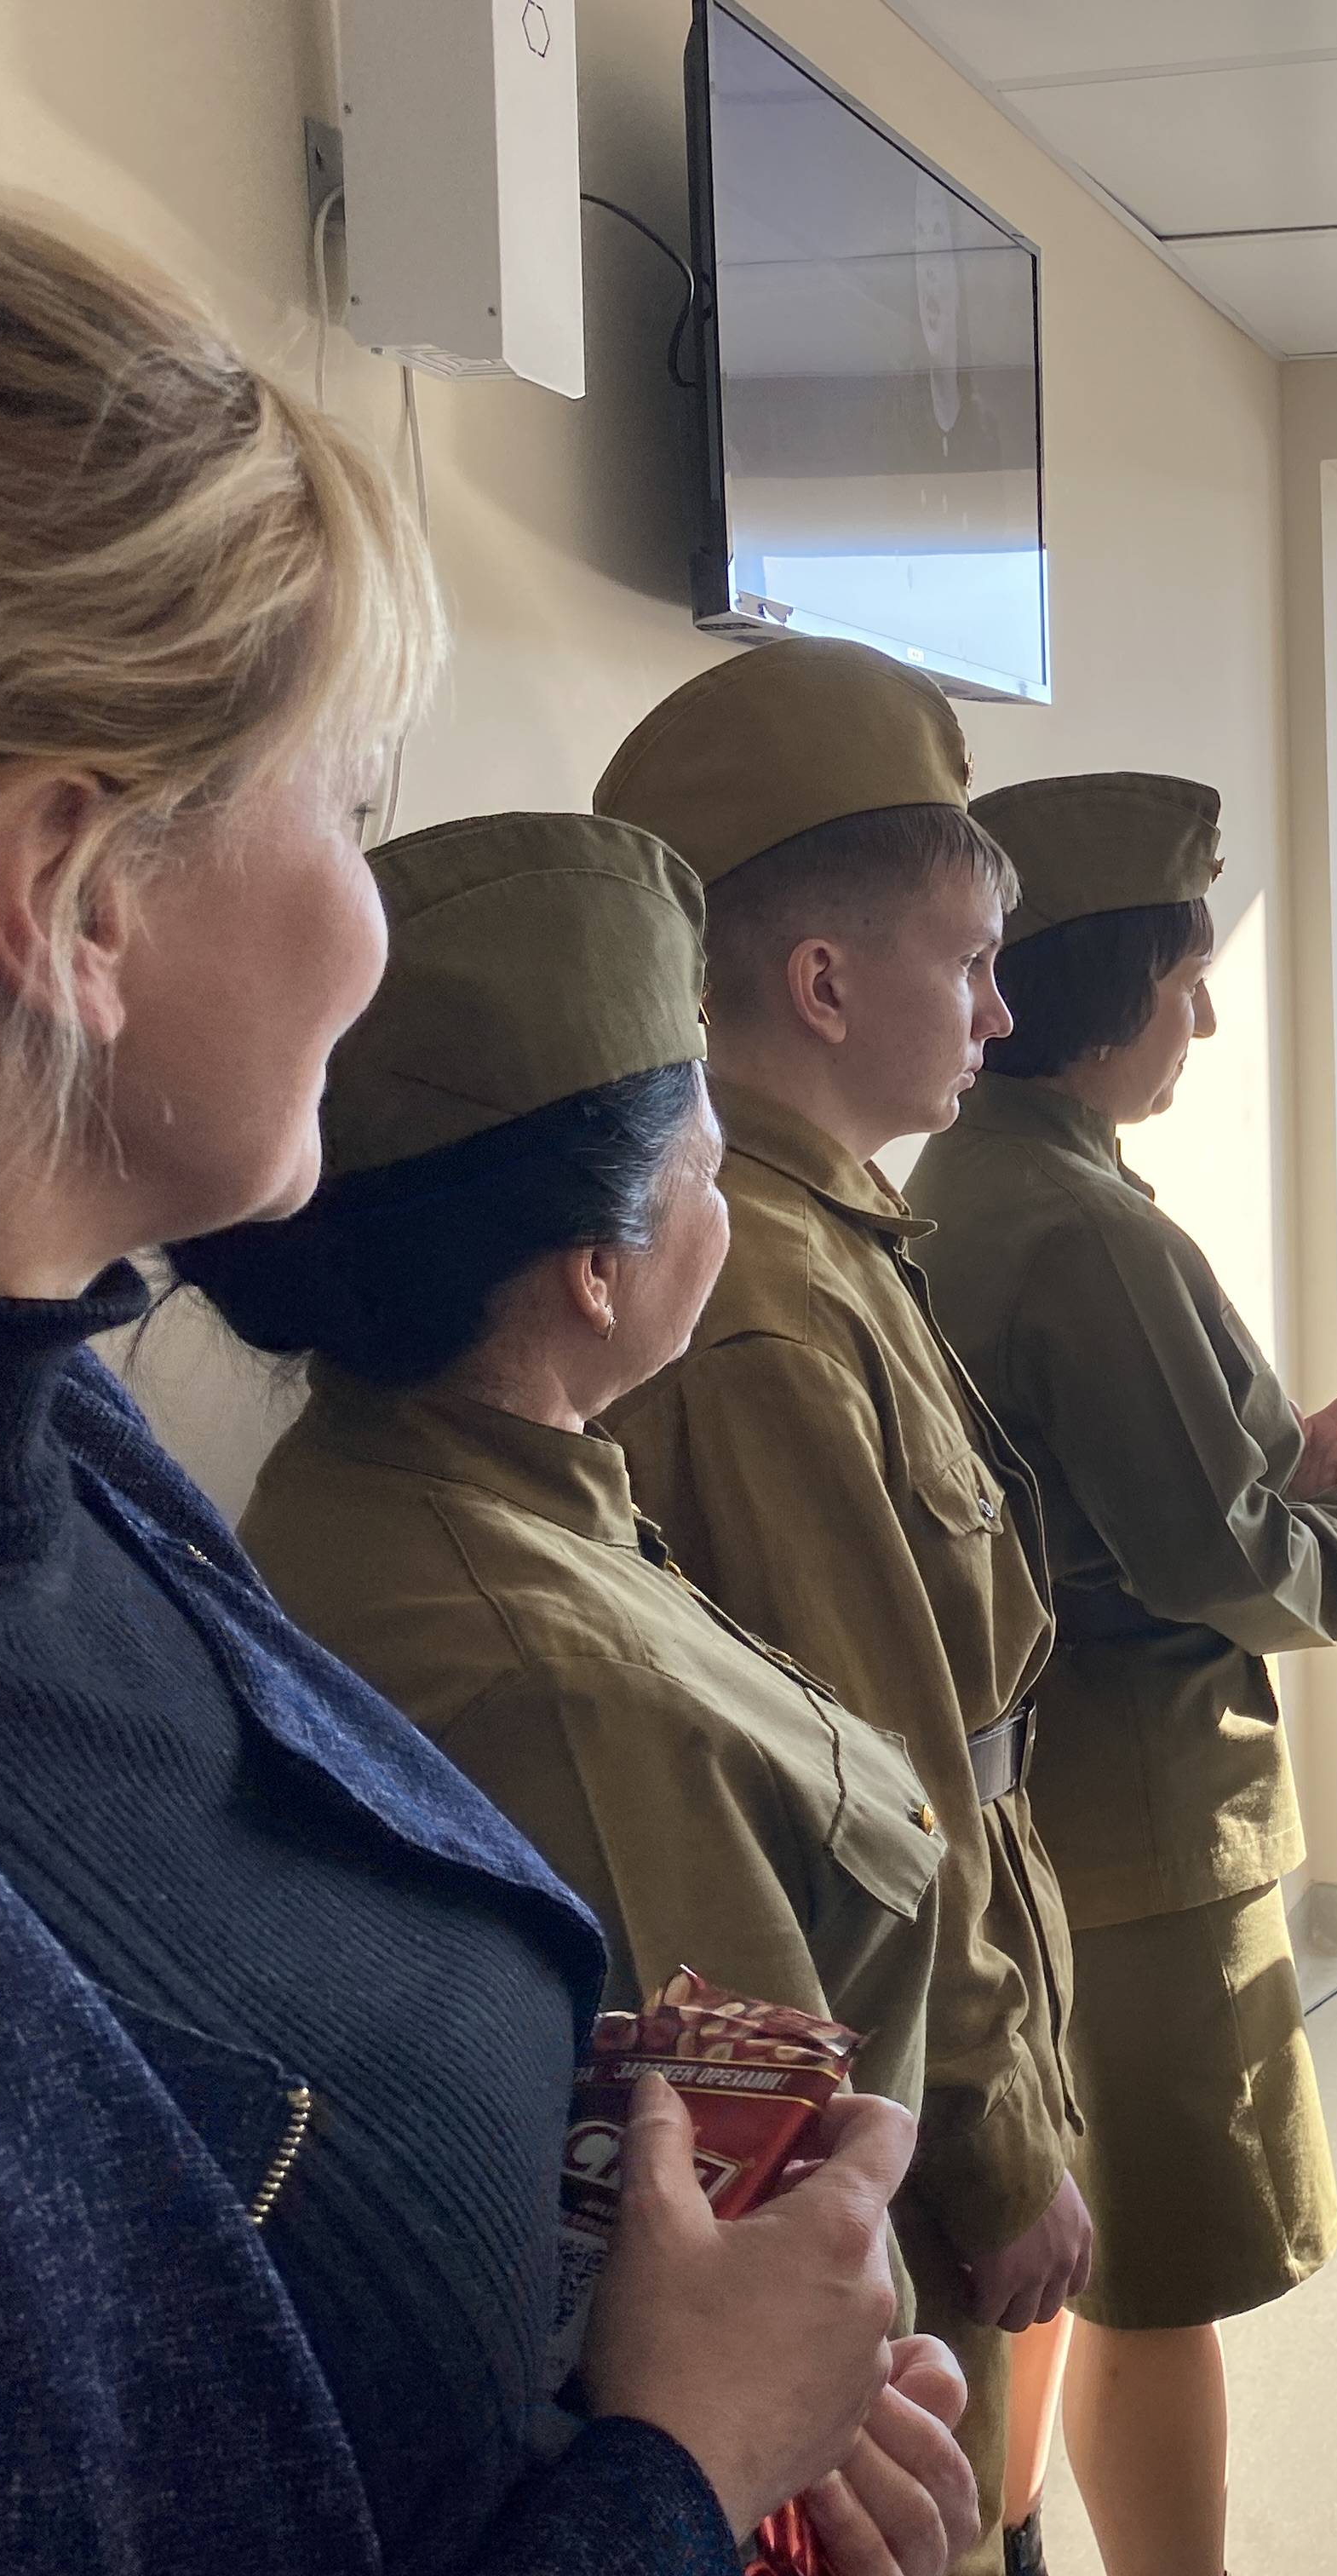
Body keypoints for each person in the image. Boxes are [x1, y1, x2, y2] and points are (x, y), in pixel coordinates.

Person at [0, 141, 962, 2574]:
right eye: (346, 806)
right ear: (72, 901)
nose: (373, 925)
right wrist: (675, 2471)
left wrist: (612, 2280)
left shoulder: (35, 1430)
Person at [171, 814, 954, 2325]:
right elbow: (744, 2267)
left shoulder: (398, 1484)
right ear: (598, 1268)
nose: (731, 1214)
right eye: (711, 1172)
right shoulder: (566, 1692)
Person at [593, 641, 1087, 2576]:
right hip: (883, 2073)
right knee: (928, 2517)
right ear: (821, 982)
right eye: (968, 963)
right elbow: (882, 1784)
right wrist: (997, 2135)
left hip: (944, 2006)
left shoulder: (830, 1234)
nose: (1000, 1010)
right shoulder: (772, 1303)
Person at [905, 772, 1337, 2576]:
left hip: (1029, 1806)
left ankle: (1008, 2533)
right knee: (1154, 2273)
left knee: (1053, 2238)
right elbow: (1225, 1570)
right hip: (1141, 1821)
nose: (1203, 1020)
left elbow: (1090, 1495)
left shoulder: (963, 1180)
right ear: (1105, 987)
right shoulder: (1092, 1232)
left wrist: (1272, 1464)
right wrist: (1330, 1518)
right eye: (1186, 980)